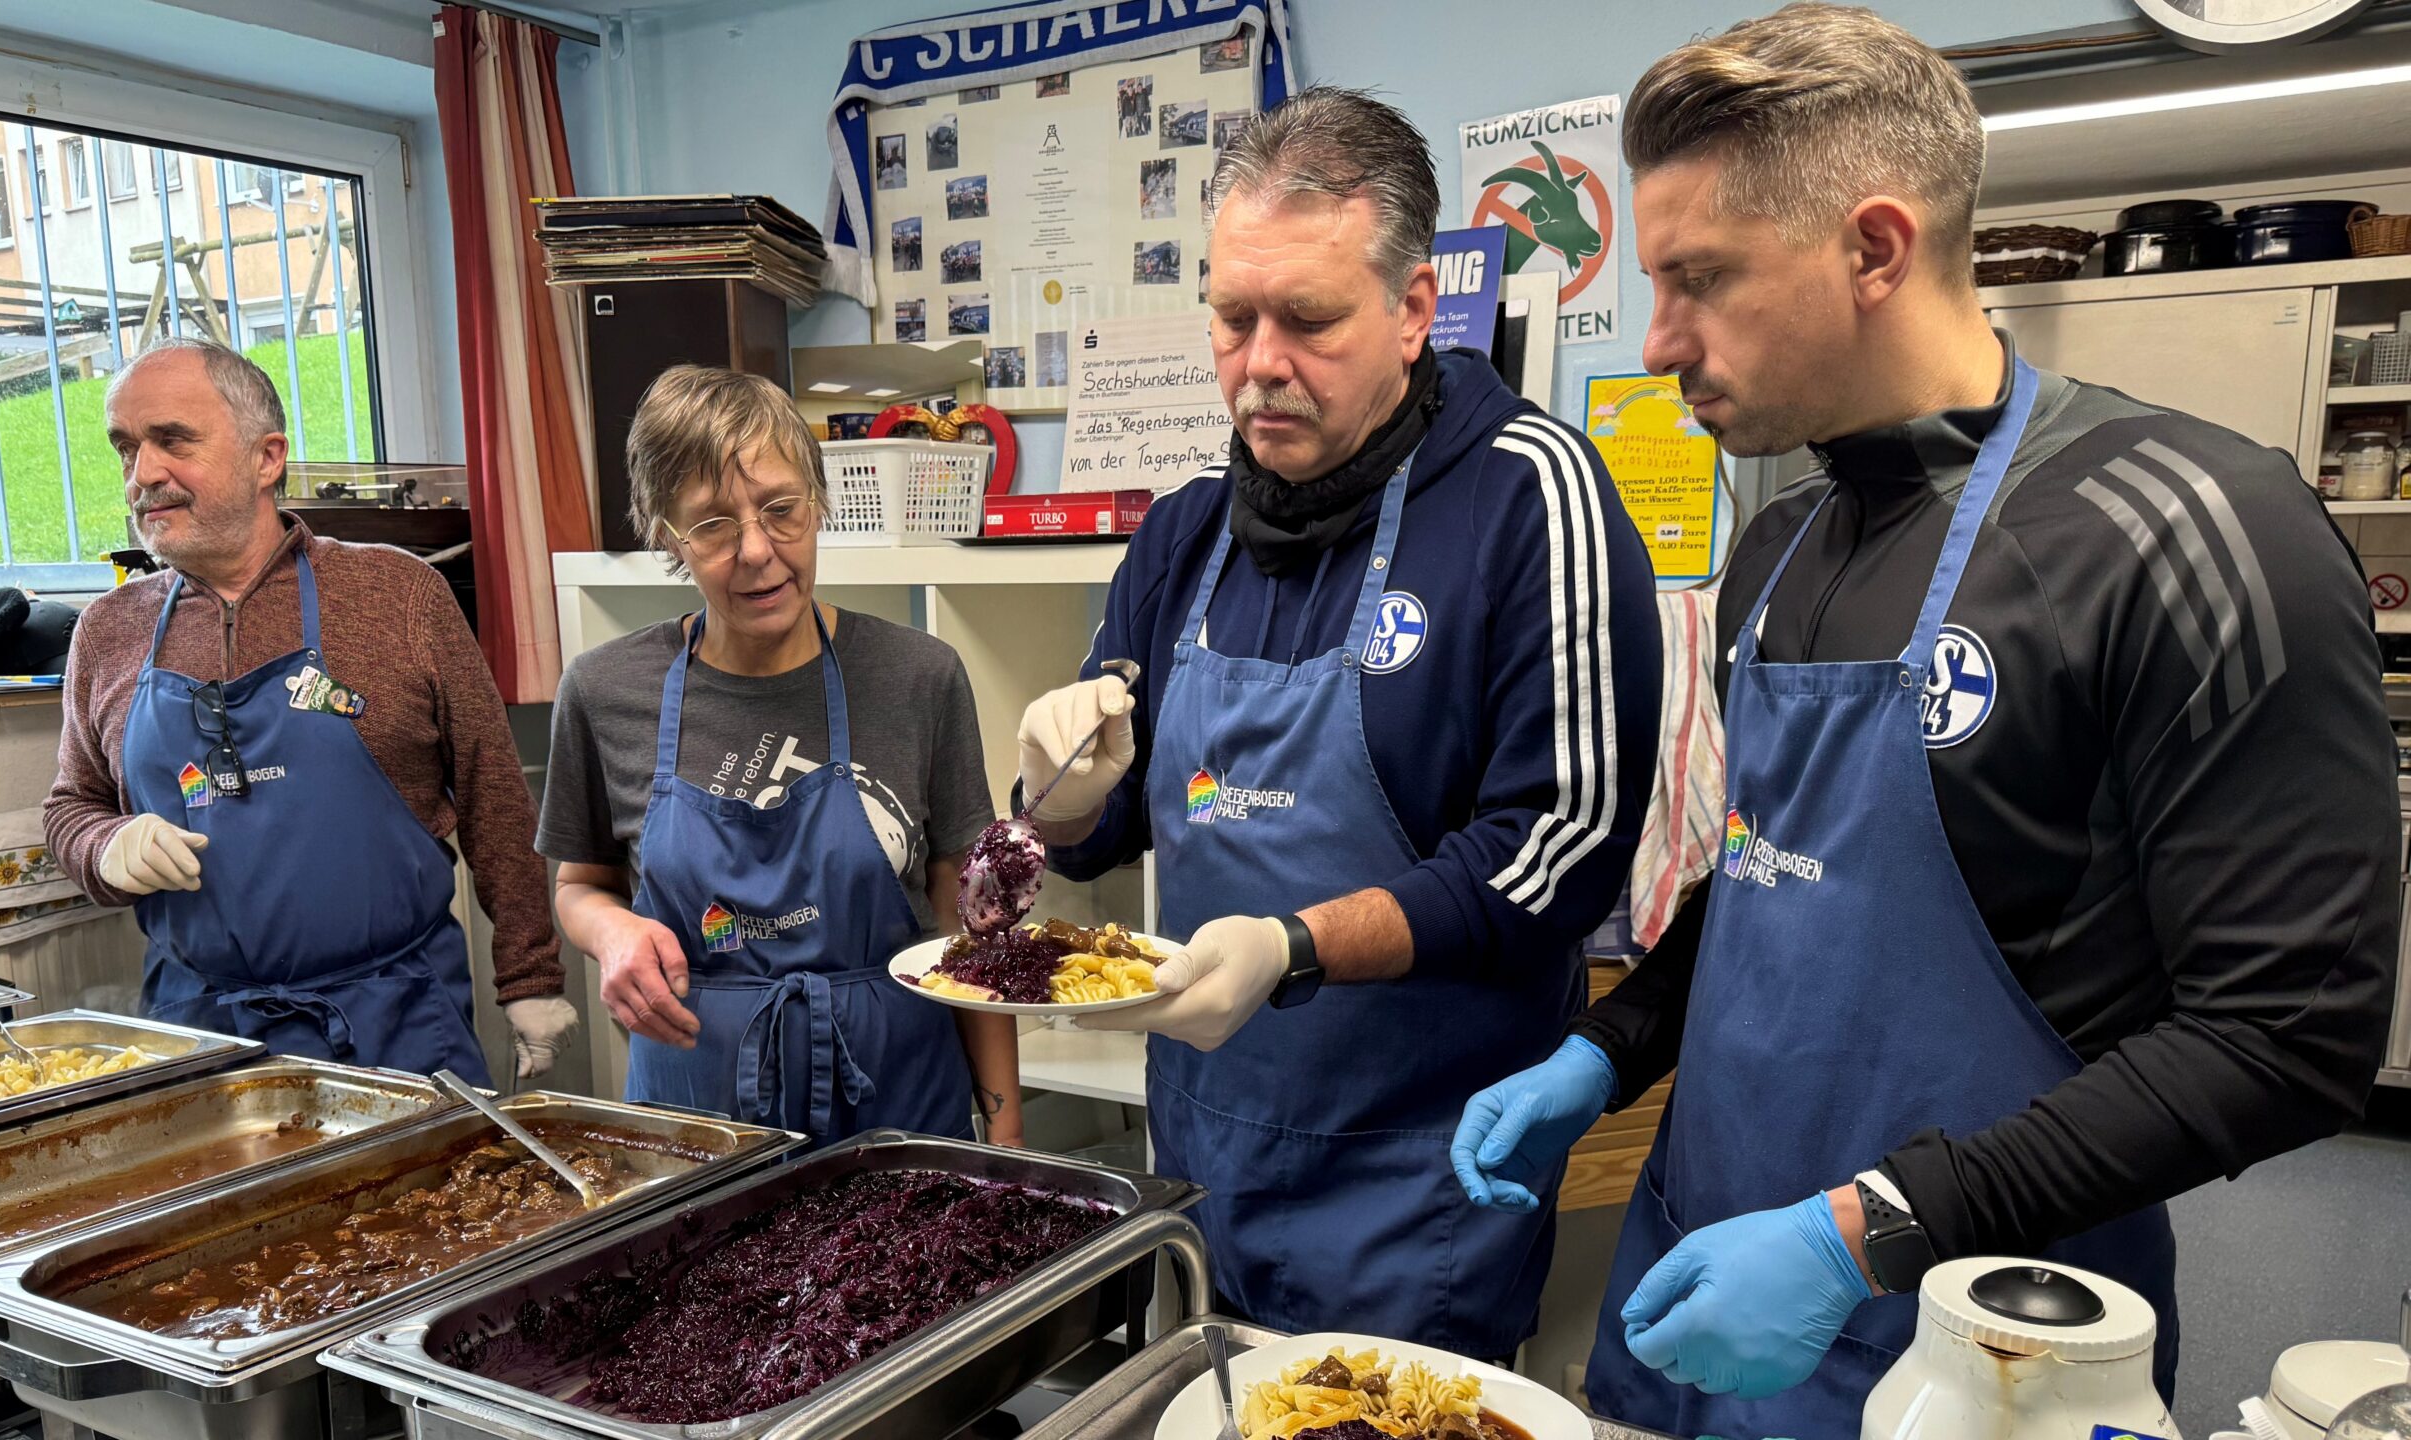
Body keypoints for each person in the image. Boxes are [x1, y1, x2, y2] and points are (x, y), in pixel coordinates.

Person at [1449, 7, 2401, 1433]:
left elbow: (2287, 1035)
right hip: (1700, 1270)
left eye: (1701, 281)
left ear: (1876, 250)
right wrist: (1609, 1049)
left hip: (1979, 1336)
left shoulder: (2189, 525)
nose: (1658, 343)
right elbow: (1775, 891)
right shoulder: (1778, 551)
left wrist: (1863, 1234)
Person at [1023, 87, 1663, 1356]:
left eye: (1307, 321)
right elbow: (1084, 848)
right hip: (1202, 1160)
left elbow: (1559, 848)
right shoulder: (1185, 528)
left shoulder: (1530, 502)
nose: (1260, 362)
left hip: (1418, 1185)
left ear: (1414, 309)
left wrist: (1293, 947)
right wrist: (1063, 796)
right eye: (1230, 316)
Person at [45, 336, 577, 1085]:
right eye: (126, 449)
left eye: (173, 441)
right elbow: (73, 804)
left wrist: (530, 977)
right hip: (199, 1041)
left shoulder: (398, 598)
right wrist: (103, 845)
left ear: (268, 458)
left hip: (396, 1028)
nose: (144, 474)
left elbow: (495, 796)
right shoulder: (109, 630)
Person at [539, 367, 1018, 1148]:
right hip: (697, 1126)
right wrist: (611, 934)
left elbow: (971, 923)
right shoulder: (604, 690)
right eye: (714, 525)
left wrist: (1006, 1139)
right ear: (668, 536)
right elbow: (580, 886)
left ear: (820, 501)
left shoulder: (917, 677)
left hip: (896, 1117)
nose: (758, 550)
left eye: (781, 510)